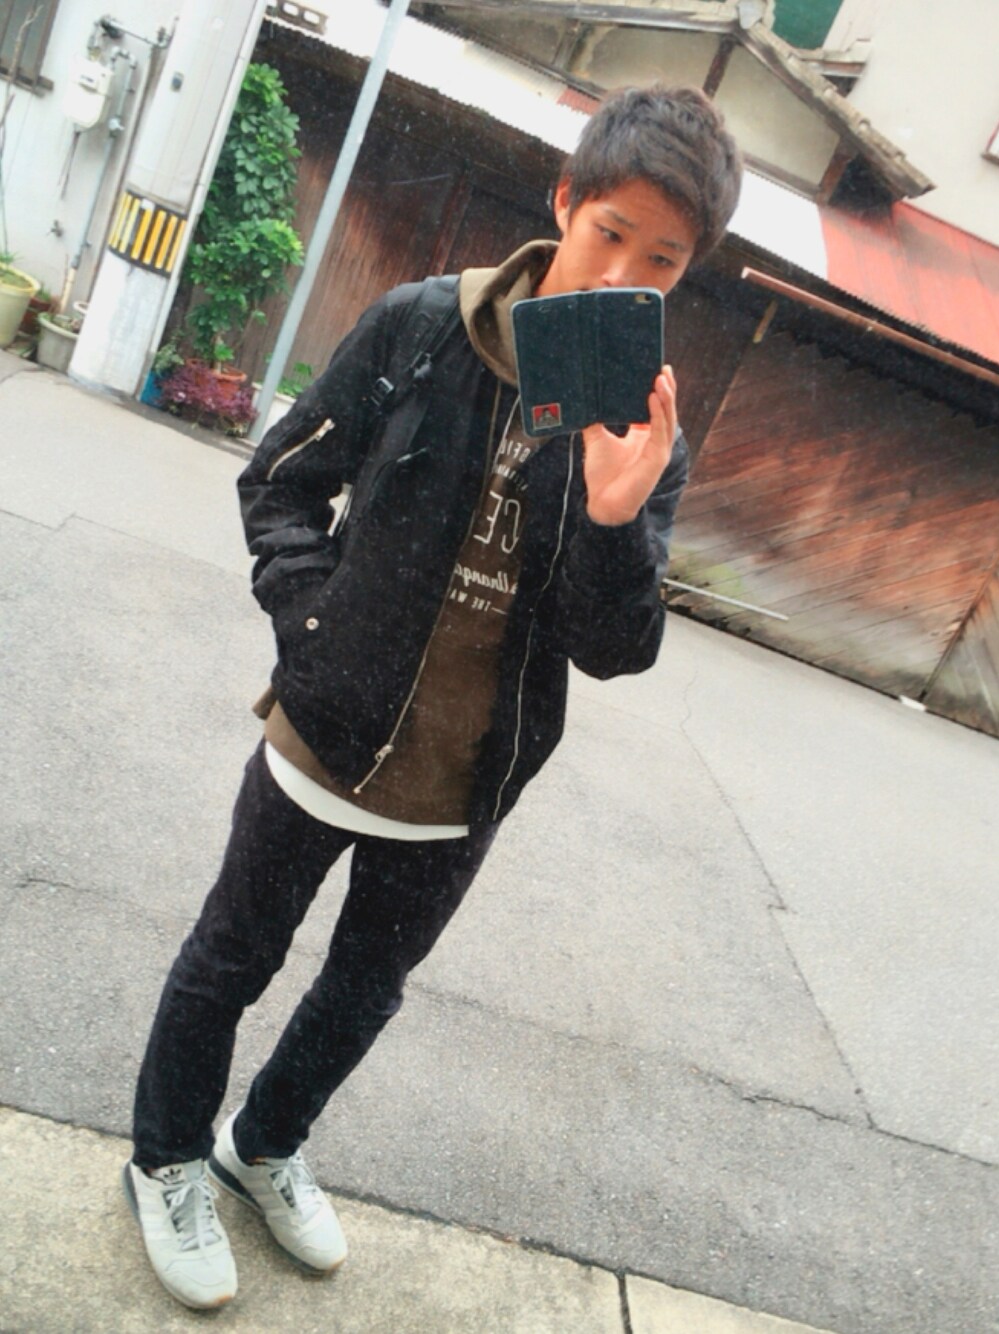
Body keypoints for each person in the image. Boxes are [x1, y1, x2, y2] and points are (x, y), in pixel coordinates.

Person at [123, 83, 741, 1309]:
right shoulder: (420, 326)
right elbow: (281, 484)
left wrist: (615, 516)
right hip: (327, 729)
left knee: (363, 989)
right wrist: (314, 635)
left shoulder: (642, 425)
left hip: (465, 775)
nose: (624, 270)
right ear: (563, 201)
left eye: (662, 259)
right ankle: (166, 1157)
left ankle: (262, 1145)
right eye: (611, 230)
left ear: (686, 272)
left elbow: (614, 648)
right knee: (233, 954)